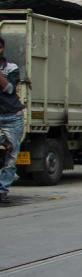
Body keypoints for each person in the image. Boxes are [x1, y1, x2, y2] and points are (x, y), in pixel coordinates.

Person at [0, 36, 24, 205]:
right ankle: (5, 142)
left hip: (12, 116)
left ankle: (2, 191)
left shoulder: (12, 68)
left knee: (12, 156)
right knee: (8, 146)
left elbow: (9, 89)